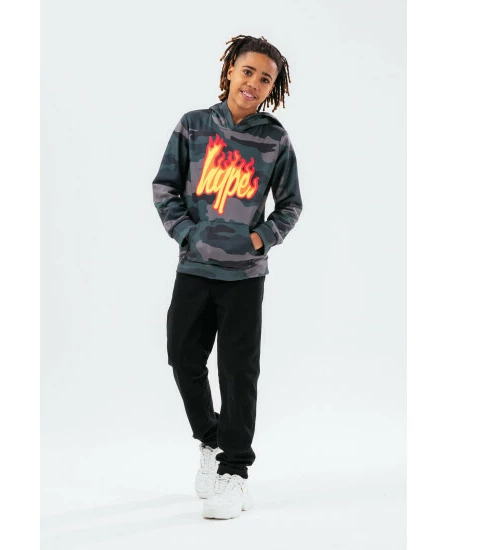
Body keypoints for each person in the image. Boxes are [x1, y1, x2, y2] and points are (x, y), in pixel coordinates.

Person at [152, 34, 303, 520]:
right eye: (248, 71)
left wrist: (261, 238)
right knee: (182, 357)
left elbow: (291, 204)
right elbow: (165, 187)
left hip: (244, 277)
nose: (254, 83)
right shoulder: (194, 126)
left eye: (266, 79)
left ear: (273, 88)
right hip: (194, 267)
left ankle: (235, 472)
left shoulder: (274, 140)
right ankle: (212, 440)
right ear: (230, 70)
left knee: (238, 373)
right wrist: (187, 235)